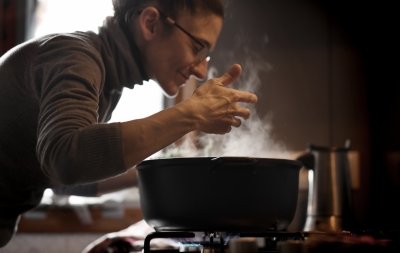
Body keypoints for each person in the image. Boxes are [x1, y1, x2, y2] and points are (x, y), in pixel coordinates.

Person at [0, 0, 258, 247]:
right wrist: (190, 114)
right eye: (197, 47)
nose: (201, 71)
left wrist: (155, 173)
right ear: (150, 23)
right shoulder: (76, 57)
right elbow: (66, 160)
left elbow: (60, 175)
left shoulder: (105, 82)